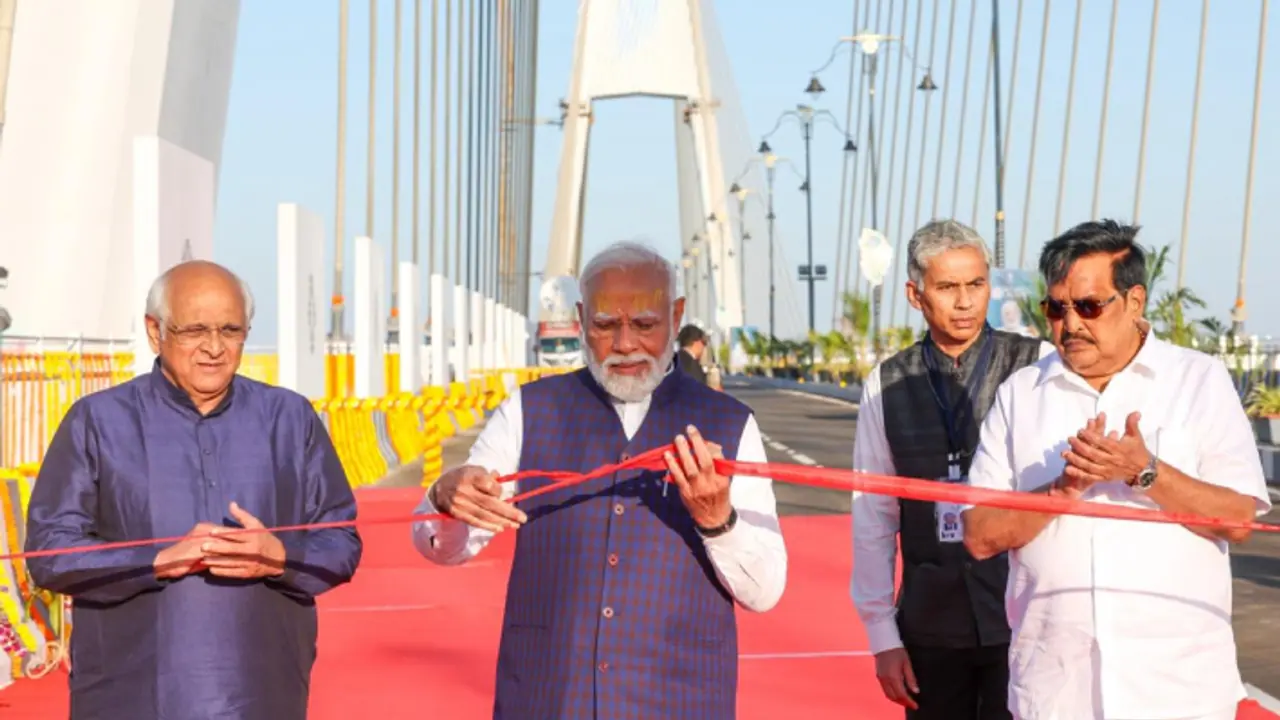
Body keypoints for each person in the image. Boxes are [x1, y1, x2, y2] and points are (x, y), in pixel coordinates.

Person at [411, 241, 786, 719]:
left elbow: (766, 590)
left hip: (680, 701)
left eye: (645, 325)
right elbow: (440, 544)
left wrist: (719, 522)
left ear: (676, 315)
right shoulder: (530, 412)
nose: (625, 344)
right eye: (605, 325)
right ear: (582, 317)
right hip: (548, 699)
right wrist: (445, 500)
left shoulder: (730, 423)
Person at [24, 261, 363, 720]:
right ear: (155, 331)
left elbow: (341, 542)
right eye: (194, 330)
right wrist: (155, 560)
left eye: (230, 329)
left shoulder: (289, 418)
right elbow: (49, 552)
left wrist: (278, 555)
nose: (214, 348)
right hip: (130, 692)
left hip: (262, 689)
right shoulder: (97, 422)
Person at [961, 220, 1269, 720]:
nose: (1071, 323)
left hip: (1176, 690)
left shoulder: (1197, 381)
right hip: (1057, 690)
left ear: (1134, 302)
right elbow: (979, 535)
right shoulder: (1020, 395)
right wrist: (1062, 490)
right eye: (1056, 308)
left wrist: (1145, 472)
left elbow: (1238, 519)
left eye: (1088, 306)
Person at [850, 219, 1051, 718]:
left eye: (976, 285)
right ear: (916, 295)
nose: (965, 302)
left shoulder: (1037, 365)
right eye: (947, 288)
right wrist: (882, 637)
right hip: (930, 624)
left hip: (1026, 620)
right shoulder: (887, 383)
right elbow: (873, 514)